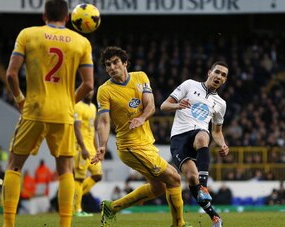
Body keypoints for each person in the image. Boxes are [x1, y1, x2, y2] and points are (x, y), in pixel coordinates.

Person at [2, 0, 94, 226]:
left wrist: (19, 99)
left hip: (33, 109)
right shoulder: (81, 42)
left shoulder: (28, 35)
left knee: (14, 164)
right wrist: (68, 102)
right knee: (65, 169)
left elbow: (11, 75)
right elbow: (89, 85)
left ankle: (8, 224)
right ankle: (64, 224)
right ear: (67, 17)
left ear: (44, 15)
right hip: (63, 113)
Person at [91, 46, 192, 227]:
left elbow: (150, 105)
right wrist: (102, 145)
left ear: (125, 63)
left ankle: (112, 208)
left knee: (158, 188)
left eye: (115, 62)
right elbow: (104, 121)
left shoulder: (140, 77)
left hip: (145, 142)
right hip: (130, 146)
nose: (112, 67)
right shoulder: (104, 91)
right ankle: (179, 224)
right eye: (108, 65)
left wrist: (141, 118)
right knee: (174, 178)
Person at [160, 61, 230, 227]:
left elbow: (217, 132)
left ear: (225, 80)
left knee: (202, 137)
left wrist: (223, 144)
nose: (219, 76)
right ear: (209, 72)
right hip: (178, 138)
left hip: (199, 134)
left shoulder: (221, 104)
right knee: (192, 178)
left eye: (223, 75)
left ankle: (204, 187)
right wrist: (178, 105)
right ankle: (214, 216)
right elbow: (163, 106)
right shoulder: (189, 85)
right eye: (217, 72)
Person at [73, 90, 103, 217]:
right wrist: (83, 147)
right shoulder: (77, 106)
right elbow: (76, 128)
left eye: (91, 90)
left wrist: (98, 149)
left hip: (91, 148)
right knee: (79, 178)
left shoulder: (93, 107)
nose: (89, 92)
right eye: (87, 90)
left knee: (97, 175)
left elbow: (94, 130)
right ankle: (76, 209)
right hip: (81, 148)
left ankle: (74, 197)